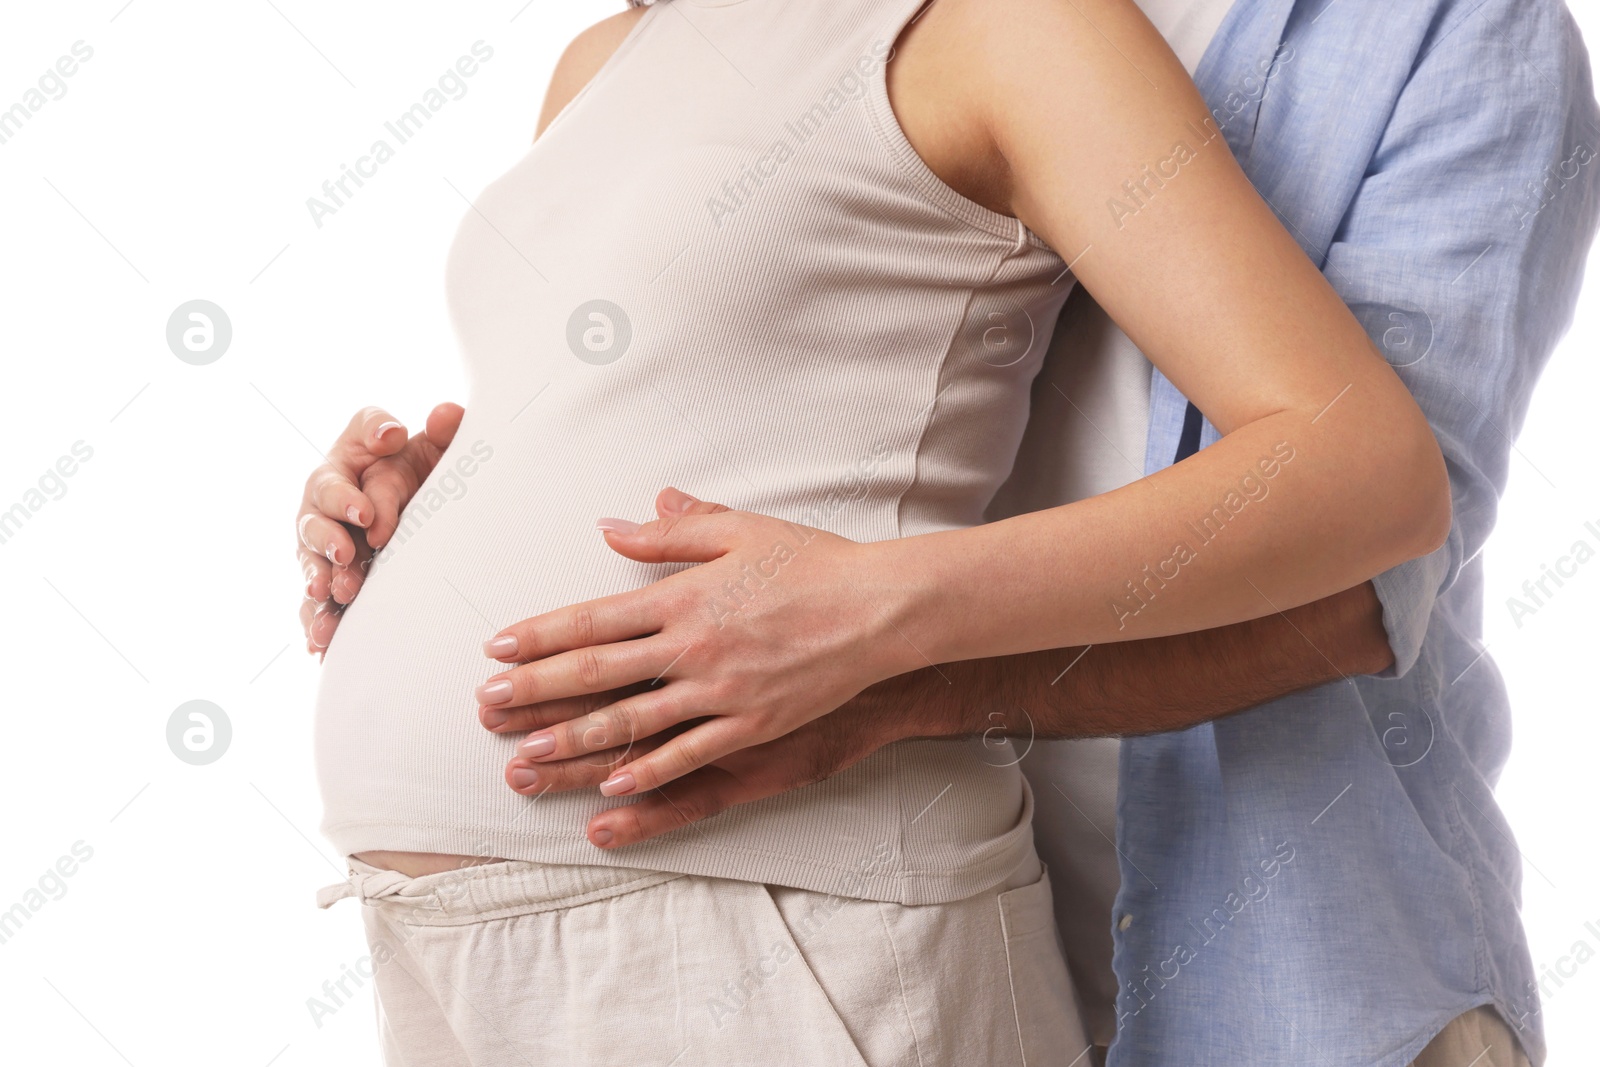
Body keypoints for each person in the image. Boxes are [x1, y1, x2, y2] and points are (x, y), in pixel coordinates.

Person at [410, 0, 1600, 1064]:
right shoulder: (806, 37)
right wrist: (453, 511)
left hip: (1289, 975)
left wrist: (895, 676)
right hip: (866, 914)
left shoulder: (1451, 30)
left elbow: (1358, 592)